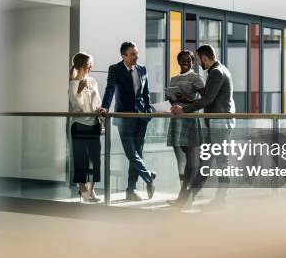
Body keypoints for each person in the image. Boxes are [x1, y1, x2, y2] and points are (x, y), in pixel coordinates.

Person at [171, 44, 235, 208]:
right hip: (217, 123)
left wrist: (183, 109)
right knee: (206, 161)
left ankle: (220, 199)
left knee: (220, 162)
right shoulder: (222, 70)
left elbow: (207, 99)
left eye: (199, 60)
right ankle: (189, 198)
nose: (199, 63)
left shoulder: (216, 72)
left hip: (218, 124)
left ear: (205, 58)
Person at [101, 42, 156, 201]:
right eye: (132, 54)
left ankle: (130, 190)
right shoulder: (115, 69)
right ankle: (149, 177)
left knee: (137, 153)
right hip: (124, 117)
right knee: (130, 152)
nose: (136, 57)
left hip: (142, 118)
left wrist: (148, 111)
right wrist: (105, 106)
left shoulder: (142, 69)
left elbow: (146, 93)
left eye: (136, 53)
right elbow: (110, 89)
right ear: (123, 56)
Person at [166, 50, 205, 206]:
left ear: (193, 62)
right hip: (176, 121)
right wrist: (170, 99)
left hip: (189, 120)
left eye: (188, 60)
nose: (185, 62)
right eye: (182, 60)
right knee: (181, 159)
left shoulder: (196, 78)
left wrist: (187, 99)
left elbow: (205, 99)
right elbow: (170, 99)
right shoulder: (173, 79)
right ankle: (185, 194)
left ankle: (186, 196)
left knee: (190, 159)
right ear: (178, 61)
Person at [68, 52, 106, 203]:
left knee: (96, 160)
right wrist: (78, 91)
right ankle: (82, 188)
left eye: (91, 64)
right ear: (82, 65)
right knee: (81, 159)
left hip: (94, 124)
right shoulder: (73, 83)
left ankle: (91, 189)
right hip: (79, 125)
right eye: (89, 64)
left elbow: (98, 102)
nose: (91, 67)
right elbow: (77, 107)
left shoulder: (93, 81)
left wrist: (100, 110)